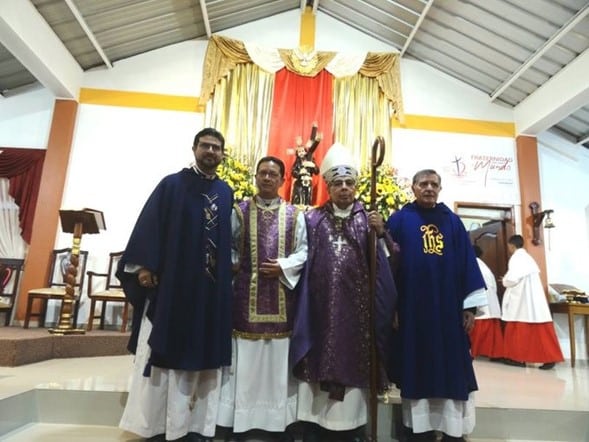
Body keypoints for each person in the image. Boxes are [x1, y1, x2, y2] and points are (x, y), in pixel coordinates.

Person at [117, 128, 234, 442]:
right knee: (165, 352)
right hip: (173, 287)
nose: (211, 151)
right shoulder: (172, 185)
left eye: (216, 147)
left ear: (223, 154)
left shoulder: (225, 192)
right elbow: (150, 225)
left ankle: (195, 427)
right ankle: (156, 425)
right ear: (194, 148)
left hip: (208, 292)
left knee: (203, 355)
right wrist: (144, 266)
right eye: (205, 146)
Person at [290, 143, 398, 442]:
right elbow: (301, 255)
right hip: (319, 306)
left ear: (356, 186)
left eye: (350, 183)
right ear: (328, 186)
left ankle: (350, 426)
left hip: (357, 311)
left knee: (353, 362)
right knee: (317, 360)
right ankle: (314, 424)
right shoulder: (312, 219)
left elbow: (389, 261)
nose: (344, 188)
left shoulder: (369, 220)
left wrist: (382, 233)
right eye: (338, 183)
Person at [385, 169, 487, 442]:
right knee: (416, 366)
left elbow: (467, 263)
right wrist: (391, 307)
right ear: (413, 188)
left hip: (448, 311)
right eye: (423, 184)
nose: (429, 188)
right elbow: (387, 266)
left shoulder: (452, 221)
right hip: (412, 311)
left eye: (434, 184)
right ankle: (418, 430)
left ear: (440, 188)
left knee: (451, 367)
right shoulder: (399, 220)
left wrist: (469, 307)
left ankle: (453, 430)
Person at [217, 156, 308, 441]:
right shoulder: (239, 211)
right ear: (255, 177)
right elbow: (228, 246)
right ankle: (241, 420)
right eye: (263, 173)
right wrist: (233, 262)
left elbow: (304, 251)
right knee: (245, 365)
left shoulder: (295, 214)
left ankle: (278, 421)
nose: (267, 178)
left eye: (273, 174)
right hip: (245, 297)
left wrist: (283, 265)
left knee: (277, 365)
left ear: (283, 180)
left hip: (281, 298)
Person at [501, 234, 564, 369]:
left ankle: (517, 358)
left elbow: (511, 279)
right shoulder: (528, 258)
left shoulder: (516, 258)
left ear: (511, 245)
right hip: (534, 300)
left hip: (521, 300)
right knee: (541, 330)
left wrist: (504, 281)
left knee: (517, 329)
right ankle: (549, 358)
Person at [469, 244, 504, 360]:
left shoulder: (472, 264)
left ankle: (474, 352)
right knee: (491, 331)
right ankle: (494, 353)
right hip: (490, 301)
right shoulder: (484, 266)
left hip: (480, 300)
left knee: (478, 329)